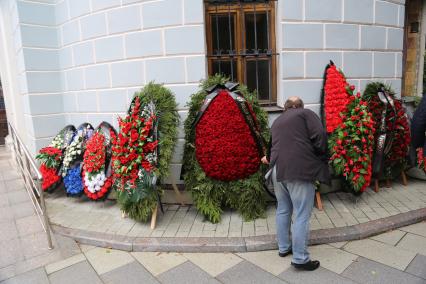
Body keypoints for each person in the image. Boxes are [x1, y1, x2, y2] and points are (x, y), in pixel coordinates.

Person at [261, 96, 330, 271]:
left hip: (278, 170)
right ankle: (300, 258)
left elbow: (272, 147)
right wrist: (320, 157)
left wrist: (268, 159)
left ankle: (284, 248)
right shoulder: (306, 114)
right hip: (299, 168)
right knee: (301, 214)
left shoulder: (277, 121)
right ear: (301, 106)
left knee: (283, 208)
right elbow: (320, 135)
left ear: (285, 108)